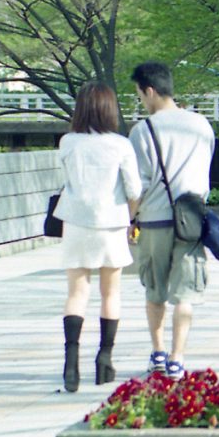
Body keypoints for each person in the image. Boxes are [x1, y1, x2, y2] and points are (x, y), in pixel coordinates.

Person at [127, 62, 215, 380]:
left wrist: (131, 218)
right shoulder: (202, 125)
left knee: (154, 290)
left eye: (139, 94)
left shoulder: (142, 131)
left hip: (153, 221)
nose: (141, 101)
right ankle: (178, 358)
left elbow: (137, 185)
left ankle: (158, 353)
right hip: (191, 220)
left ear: (149, 91)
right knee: (185, 293)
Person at [53, 81, 142, 392]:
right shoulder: (120, 145)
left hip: (75, 224)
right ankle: (104, 360)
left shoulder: (67, 143)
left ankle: (70, 363)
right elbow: (134, 190)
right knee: (110, 294)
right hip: (112, 224)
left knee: (76, 294)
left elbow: (62, 180)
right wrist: (132, 218)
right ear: (109, 109)